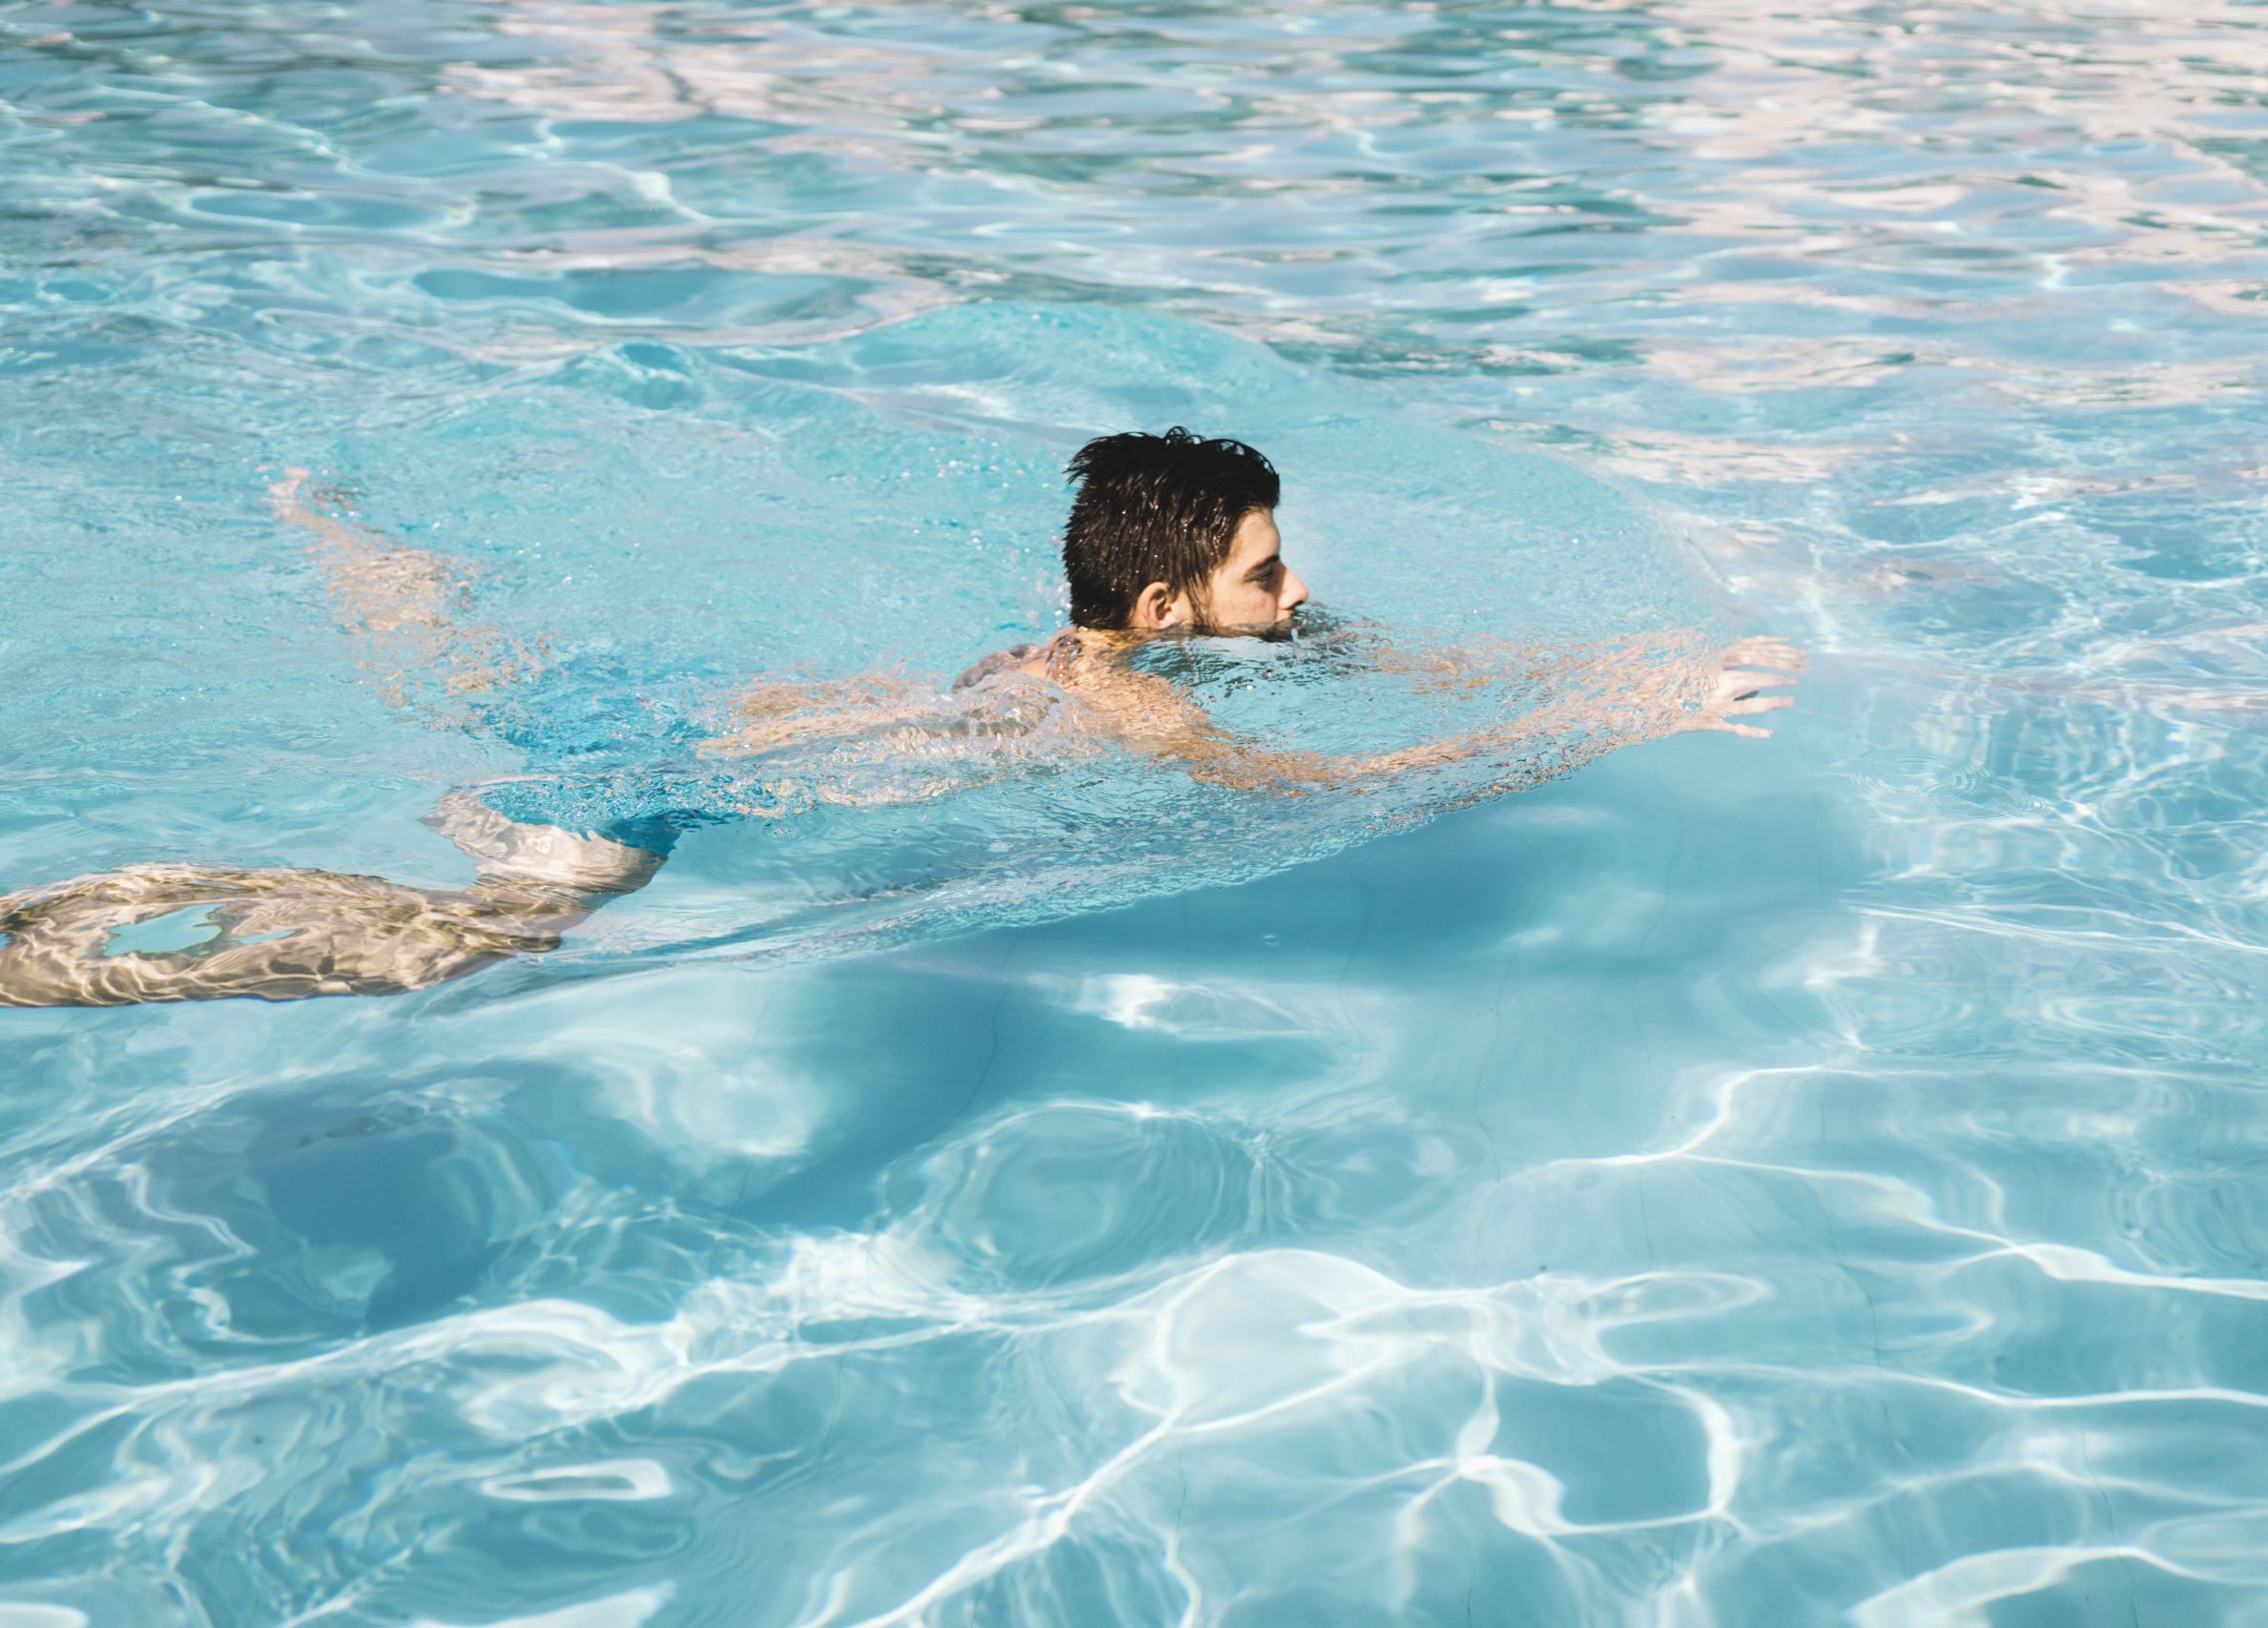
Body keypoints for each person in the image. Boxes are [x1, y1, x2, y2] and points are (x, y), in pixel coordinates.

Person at [0, 429, 1799, 1007]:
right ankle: (98, 938)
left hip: (686, 699)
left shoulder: (1152, 639)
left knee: (469, 648)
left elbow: (1409, 675)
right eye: (1270, 572)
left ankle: (329, 525)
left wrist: (1603, 659)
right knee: (477, 944)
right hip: (669, 775)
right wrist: (1605, 731)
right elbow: (1316, 798)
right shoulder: (1127, 710)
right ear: (1167, 613)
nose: (1300, 593)